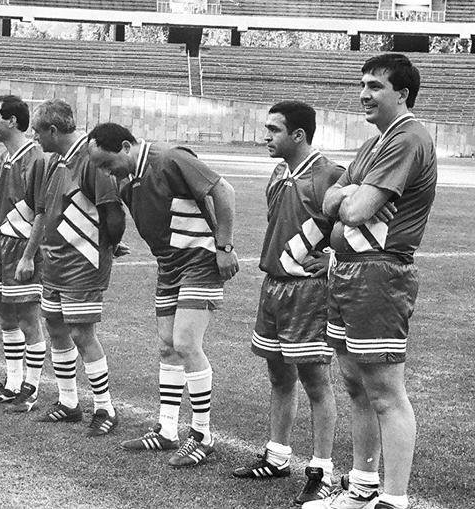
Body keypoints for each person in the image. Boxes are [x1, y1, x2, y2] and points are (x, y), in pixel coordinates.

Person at [311, 54, 437, 509]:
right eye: (362, 84)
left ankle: (393, 499)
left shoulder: (408, 137)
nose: (364, 94)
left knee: (385, 393)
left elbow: (355, 211)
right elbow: (329, 200)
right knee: (356, 385)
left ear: (402, 94)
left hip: (379, 273)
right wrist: (345, 195)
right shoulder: (374, 143)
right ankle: (362, 487)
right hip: (346, 270)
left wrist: (348, 197)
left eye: (375, 86)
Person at [87, 122, 238, 462]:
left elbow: (223, 189)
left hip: (199, 259)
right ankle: (167, 430)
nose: (106, 172)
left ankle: (202, 435)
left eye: (107, 163)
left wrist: (225, 246)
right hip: (169, 266)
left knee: (185, 343)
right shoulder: (126, 180)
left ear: (126, 147)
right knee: (167, 346)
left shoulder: (169, 158)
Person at [230, 101, 342, 505]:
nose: (266, 137)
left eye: (274, 130)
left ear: (298, 135)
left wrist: (332, 258)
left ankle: (321, 470)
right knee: (279, 376)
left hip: (307, 293)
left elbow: (360, 223)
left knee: (315, 382)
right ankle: (277, 457)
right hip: (273, 286)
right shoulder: (279, 173)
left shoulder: (330, 174)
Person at [32, 100, 124, 437]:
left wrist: (109, 246)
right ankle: (69, 402)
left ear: (53, 130)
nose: (35, 137)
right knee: (56, 329)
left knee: (82, 334)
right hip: (54, 262)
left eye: (38, 131)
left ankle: (105, 408)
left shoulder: (91, 160)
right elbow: (47, 211)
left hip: (82, 263)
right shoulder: (56, 160)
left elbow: (113, 211)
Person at [0, 94, 47, 413]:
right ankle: (12, 384)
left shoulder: (34, 158)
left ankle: (31, 389)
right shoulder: (6, 156)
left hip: (22, 246)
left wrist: (29, 256)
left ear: (12, 121)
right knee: (6, 316)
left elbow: (42, 212)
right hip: (1, 244)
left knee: (28, 318)